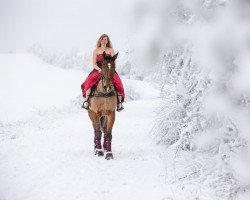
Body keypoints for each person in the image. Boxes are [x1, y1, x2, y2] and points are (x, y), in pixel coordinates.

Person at [81, 34, 125, 112]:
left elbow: (113, 62)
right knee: (89, 81)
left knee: (118, 82)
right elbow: (94, 64)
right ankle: (87, 101)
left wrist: (110, 69)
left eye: (106, 39)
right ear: (100, 40)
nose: (104, 41)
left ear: (107, 41)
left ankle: (119, 103)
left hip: (109, 69)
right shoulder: (96, 51)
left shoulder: (111, 50)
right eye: (103, 39)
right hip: (98, 70)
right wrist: (99, 69)